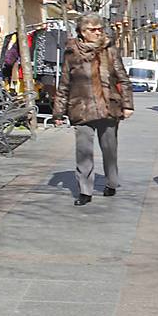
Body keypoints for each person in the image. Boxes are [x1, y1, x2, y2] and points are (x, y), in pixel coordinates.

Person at [53, 13, 134, 205]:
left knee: (109, 150)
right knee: (83, 151)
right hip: (81, 108)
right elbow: (64, 83)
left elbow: (123, 78)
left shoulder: (109, 50)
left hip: (108, 107)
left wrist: (127, 104)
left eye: (100, 29)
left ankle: (111, 182)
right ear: (82, 32)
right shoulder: (72, 52)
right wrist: (58, 112)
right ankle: (85, 190)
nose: (98, 33)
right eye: (93, 30)